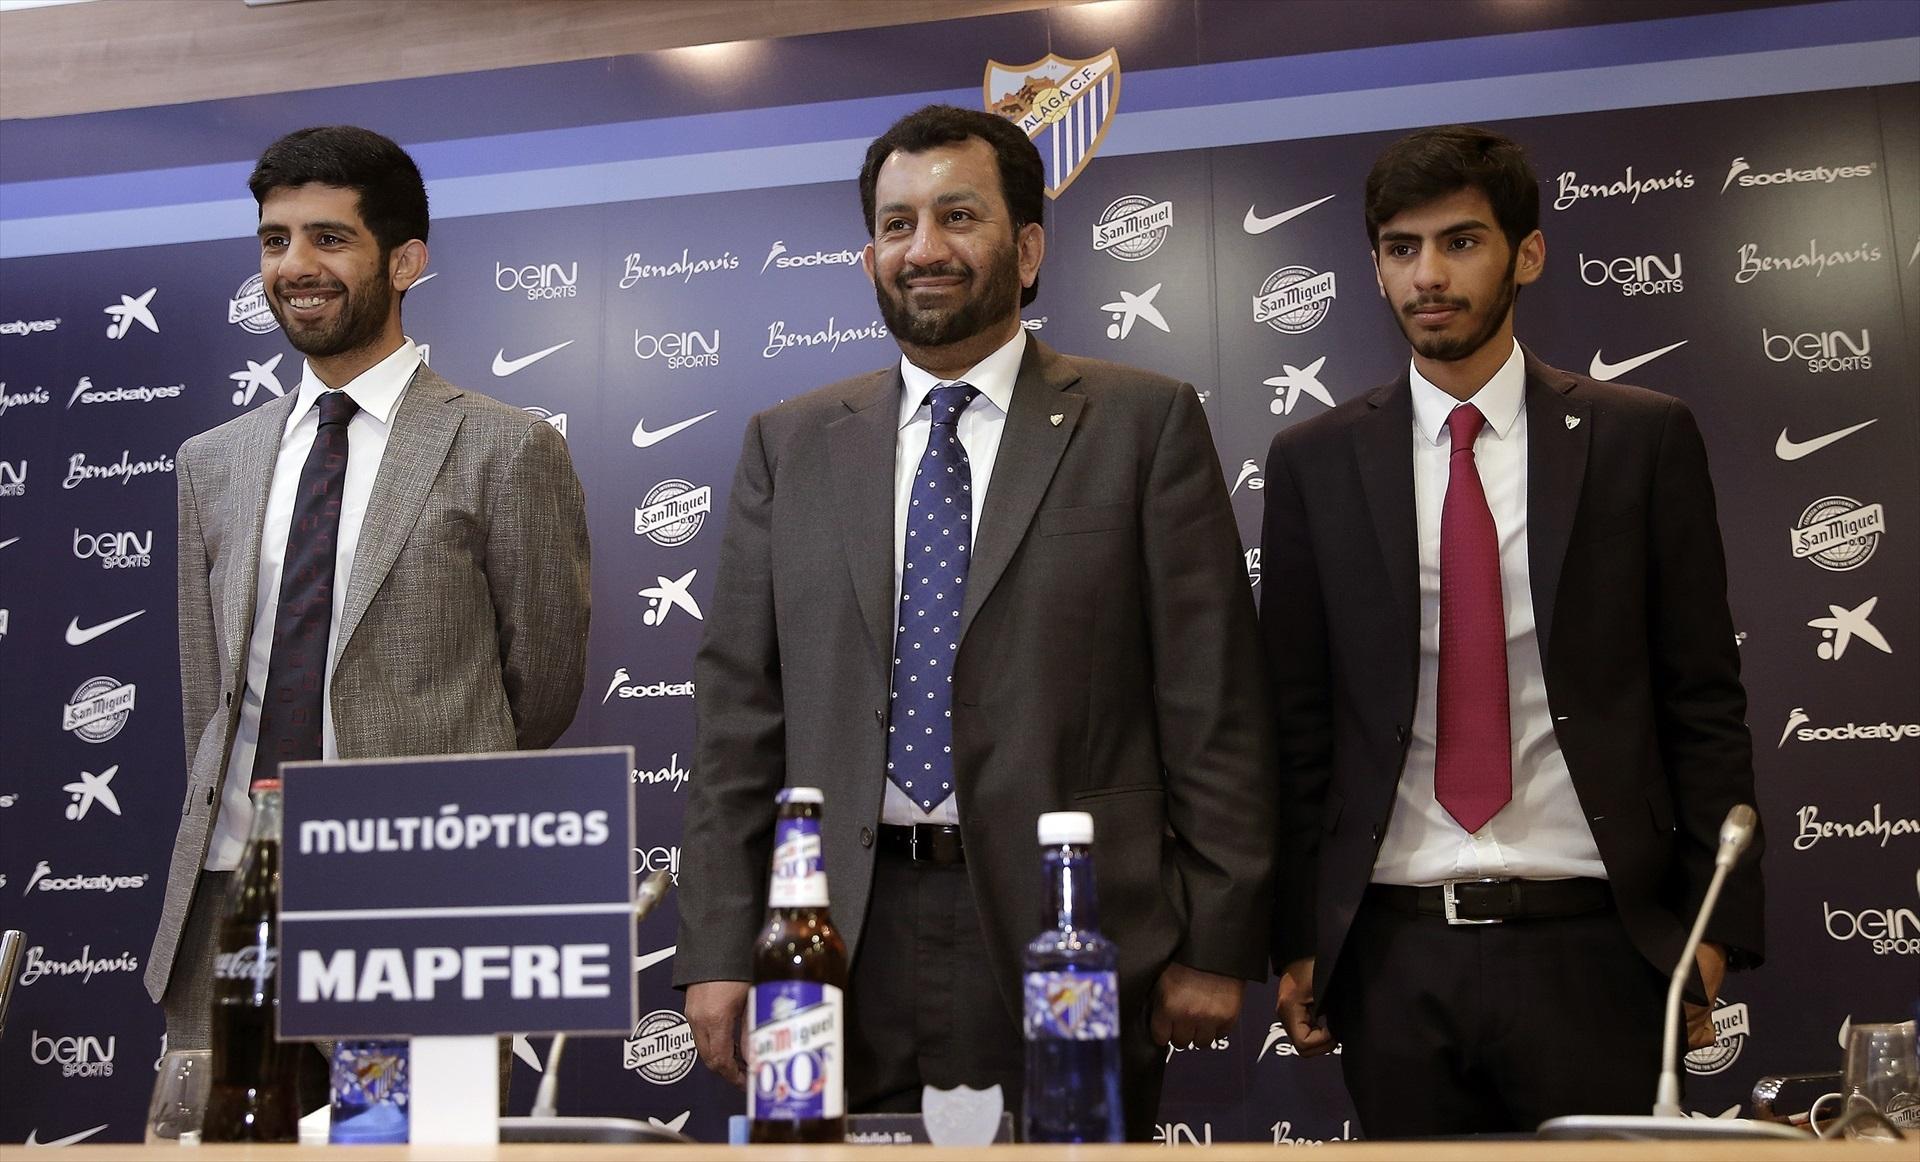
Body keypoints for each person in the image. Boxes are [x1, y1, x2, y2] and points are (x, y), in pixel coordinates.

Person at [677, 104, 1275, 1138]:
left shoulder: (1143, 422)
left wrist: (1214, 940)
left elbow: (1212, 699)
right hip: (835, 941)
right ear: (869, 255)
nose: (926, 249)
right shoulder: (791, 443)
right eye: (898, 224)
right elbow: (740, 720)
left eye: (959, 216)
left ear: (1027, 247)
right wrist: (726, 947)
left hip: (1075, 932)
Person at [1260, 124, 1762, 1137]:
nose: (1428, 275)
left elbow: (1701, 696)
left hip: (1599, 943)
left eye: (1461, 242)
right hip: (1395, 947)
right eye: (1401, 249)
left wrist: (1715, 937)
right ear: (1375, 266)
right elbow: (1296, 723)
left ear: (1526, 254)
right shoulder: (1314, 459)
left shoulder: (1639, 438)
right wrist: (1297, 938)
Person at [144, 126, 592, 1078]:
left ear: (405, 262)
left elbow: (541, 689)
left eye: (328, 239)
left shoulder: (506, 448)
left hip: (421, 901)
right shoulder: (211, 464)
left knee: (407, 1146)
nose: (295, 267)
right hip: (237, 896)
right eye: (275, 241)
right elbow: (205, 697)